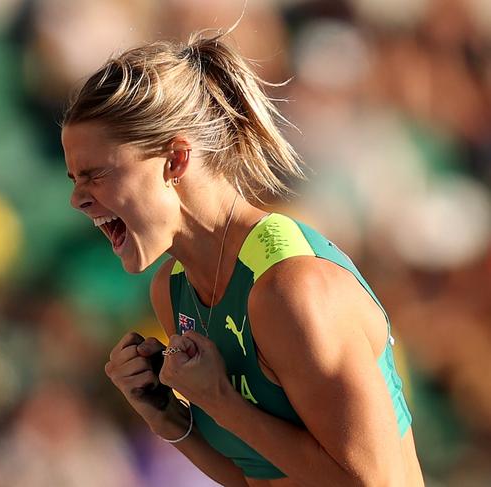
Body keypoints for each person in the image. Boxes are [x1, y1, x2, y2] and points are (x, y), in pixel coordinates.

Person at [61, 30, 424, 487]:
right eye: (74, 178)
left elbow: (376, 484)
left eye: (96, 175)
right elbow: (256, 479)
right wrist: (170, 420)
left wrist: (219, 401)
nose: (77, 199)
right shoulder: (173, 290)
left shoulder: (292, 288)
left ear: (174, 159)